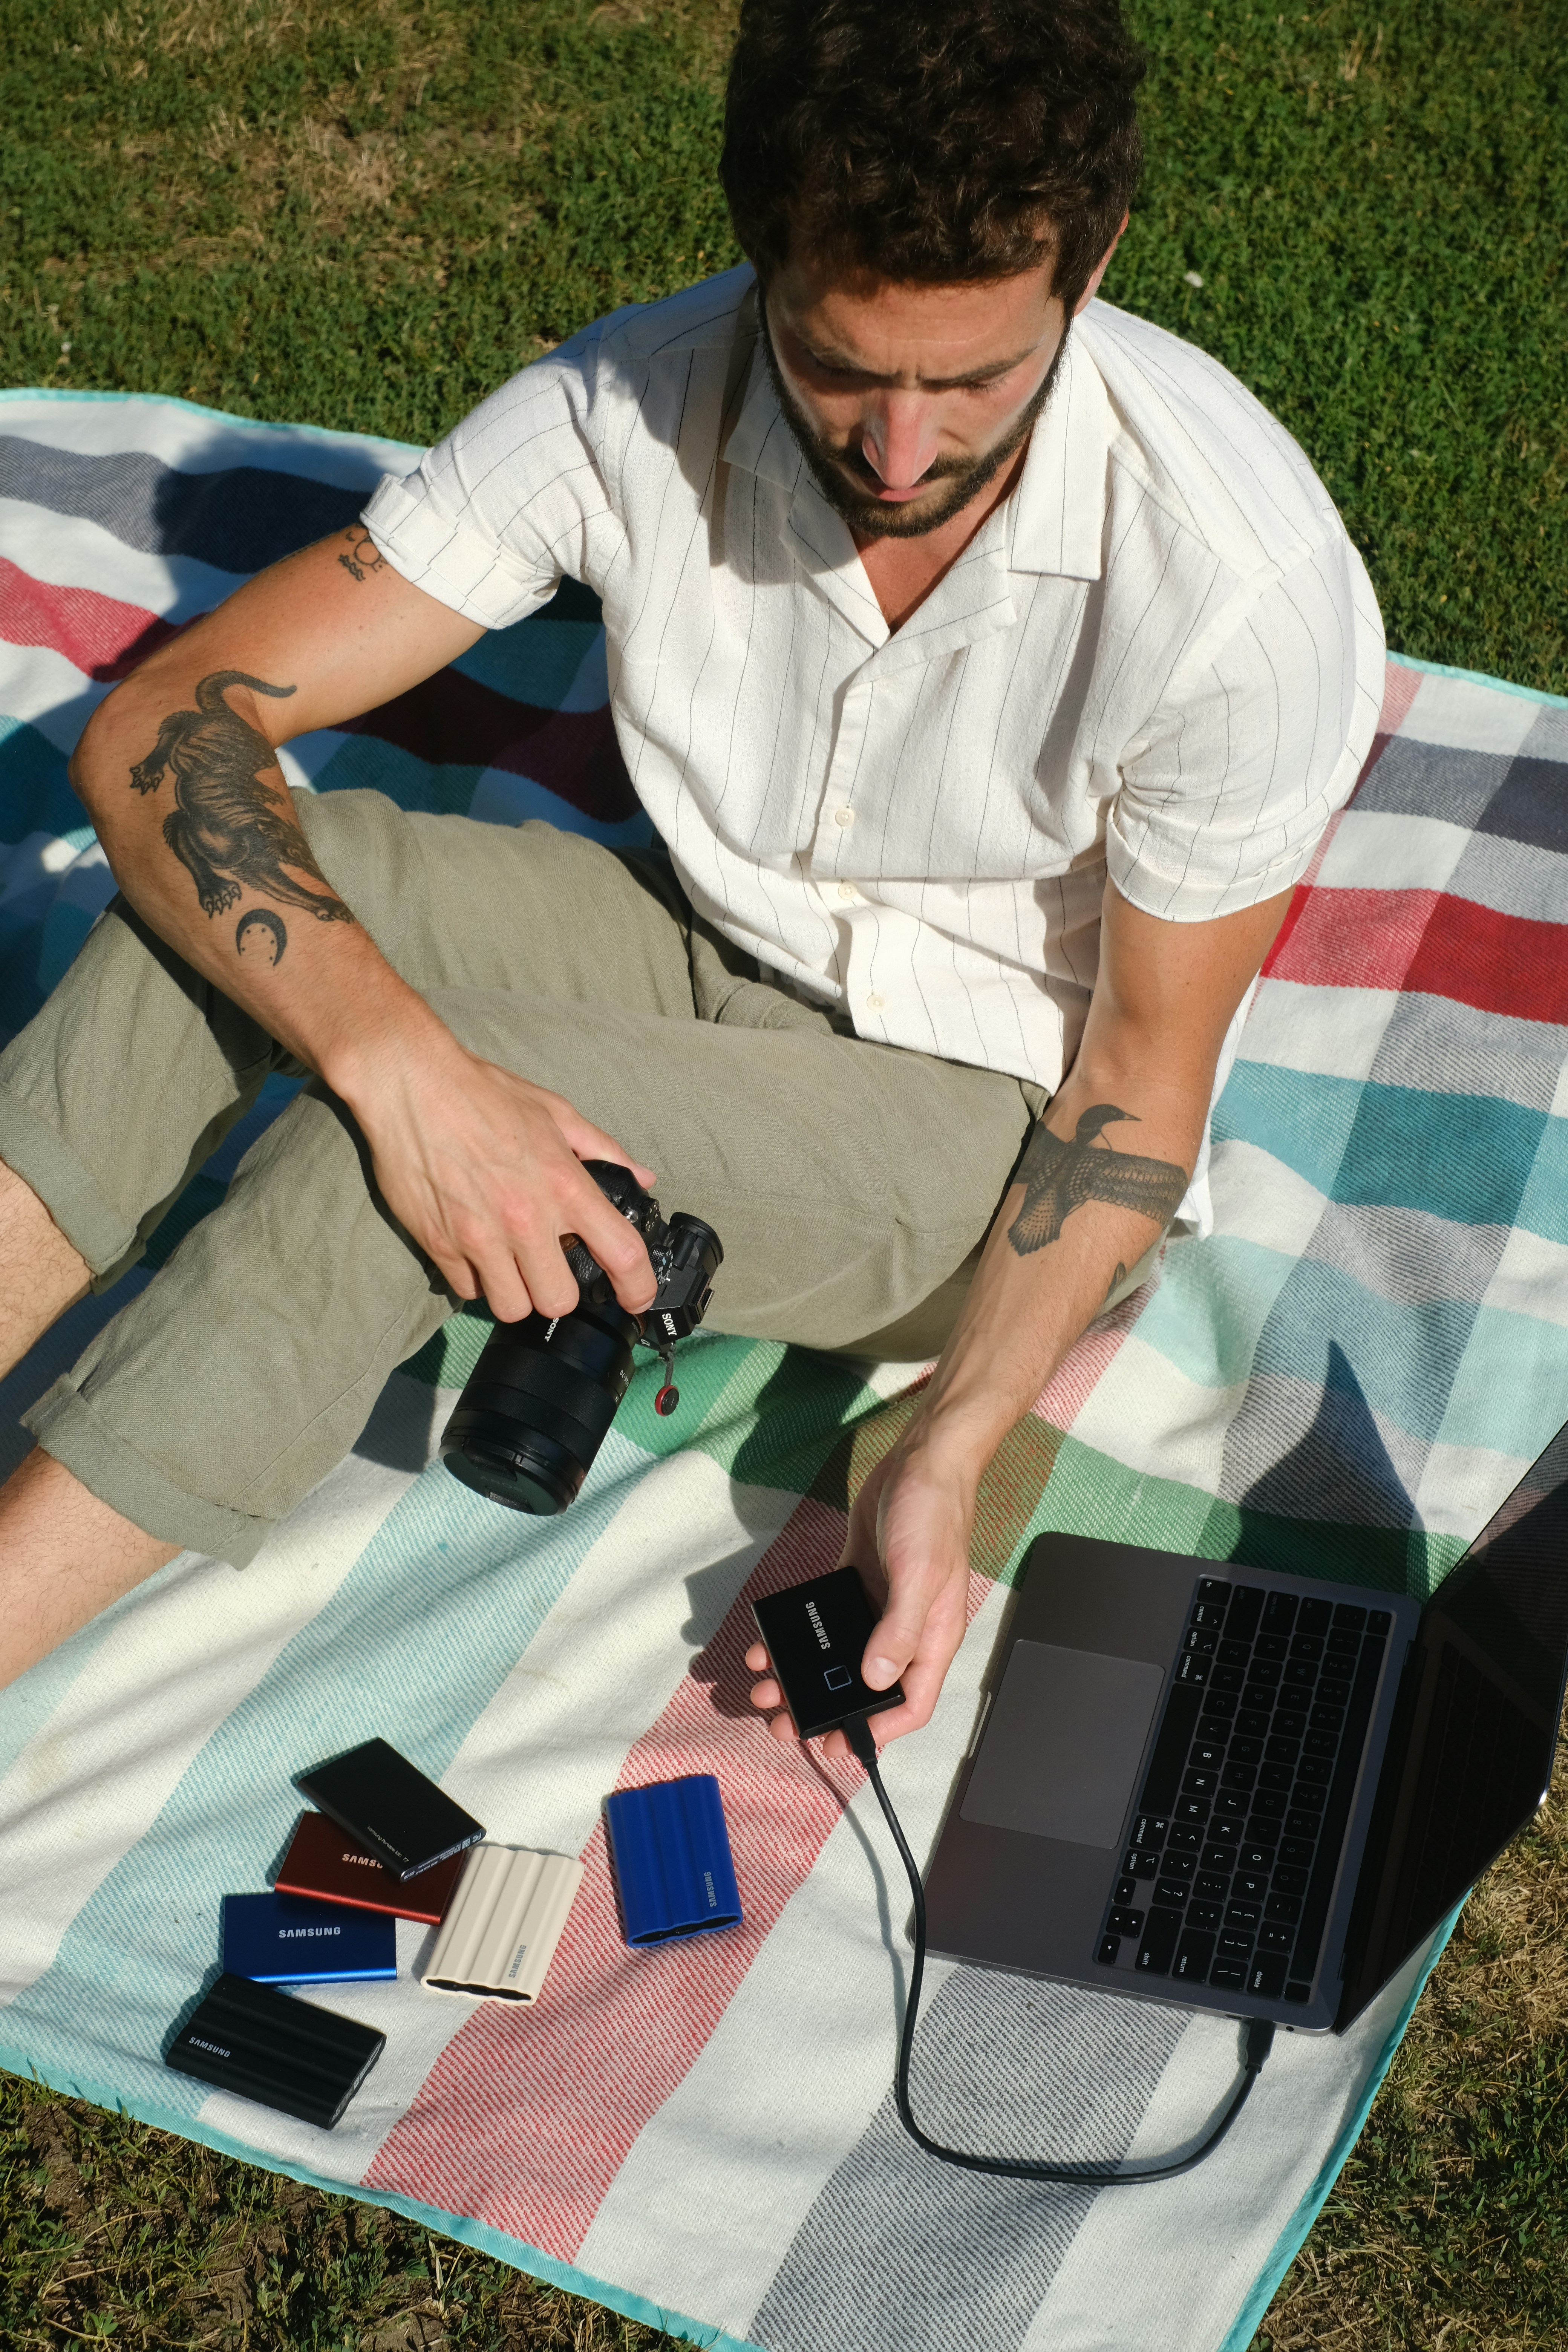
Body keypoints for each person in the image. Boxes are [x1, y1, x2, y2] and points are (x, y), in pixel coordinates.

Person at [0, 0, 1383, 1756]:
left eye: (969, 380)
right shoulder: (628, 400)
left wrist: (946, 1445)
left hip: (980, 1121)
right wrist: (408, 1062)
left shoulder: (1234, 590)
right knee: (253, 903)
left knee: (381, 1175)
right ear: (757, 259)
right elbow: (166, 727)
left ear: (1092, 258)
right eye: (838, 369)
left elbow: (1131, 1088)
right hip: (696, 941)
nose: (900, 453)